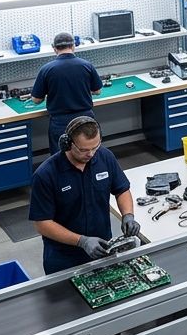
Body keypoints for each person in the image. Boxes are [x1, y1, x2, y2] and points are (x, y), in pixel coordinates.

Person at [28, 116, 140, 275]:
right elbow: (42, 223)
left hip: (103, 248)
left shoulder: (105, 157)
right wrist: (82, 241)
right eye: (84, 150)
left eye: (95, 147)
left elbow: (121, 189)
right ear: (67, 144)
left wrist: (128, 215)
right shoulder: (46, 175)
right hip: (64, 257)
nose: (91, 154)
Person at [30, 32, 101, 156]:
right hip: (85, 119)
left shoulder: (47, 69)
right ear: (73, 46)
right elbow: (97, 91)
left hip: (60, 122)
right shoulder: (86, 65)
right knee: (89, 154)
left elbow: (36, 100)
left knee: (62, 158)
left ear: (54, 48)